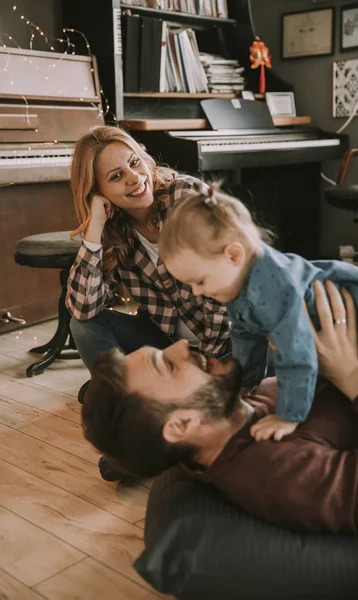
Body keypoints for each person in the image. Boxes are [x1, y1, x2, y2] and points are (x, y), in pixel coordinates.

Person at [82, 280, 358, 533]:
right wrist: (348, 373)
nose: (180, 345)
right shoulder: (275, 473)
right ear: (181, 424)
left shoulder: (238, 413)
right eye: (168, 365)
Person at [158, 181, 358, 442]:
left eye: (200, 281)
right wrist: (246, 382)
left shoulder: (274, 286)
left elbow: (296, 354)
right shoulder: (237, 282)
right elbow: (244, 333)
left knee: (289, 360)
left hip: (348, 311)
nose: (196, 292)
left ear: (233, 255)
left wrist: (289, 415)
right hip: (327, 335)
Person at [66, 126, 231, 377]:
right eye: (116, 176)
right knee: (83, 326)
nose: (134, 178)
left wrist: (201, 368)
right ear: (99, 193)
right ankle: (120, 393)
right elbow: (83, 308)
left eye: (134, 162)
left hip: (226, 345)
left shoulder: (185, 198)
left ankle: (141, 390)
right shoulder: (113, 228)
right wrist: (95, 226)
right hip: (167, 344)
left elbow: (221, 296)